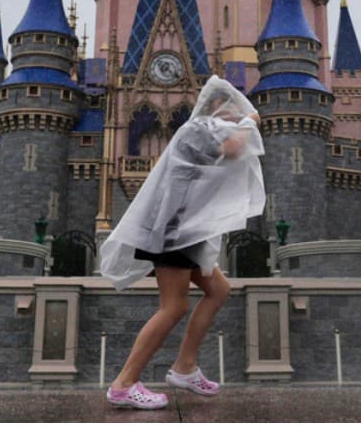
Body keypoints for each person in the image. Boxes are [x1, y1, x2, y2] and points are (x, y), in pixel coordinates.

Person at [100, 75, 265, 409]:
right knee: (173, 306)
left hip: (185, 229)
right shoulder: (198, 128)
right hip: (173, 229)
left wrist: (241, 124)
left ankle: (185, 367)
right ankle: (123, 384)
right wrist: (249, 122)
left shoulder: (204, 130)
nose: (236, 116)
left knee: (219, 290)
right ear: (217, 106)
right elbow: (234, 149)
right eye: (233, 109)